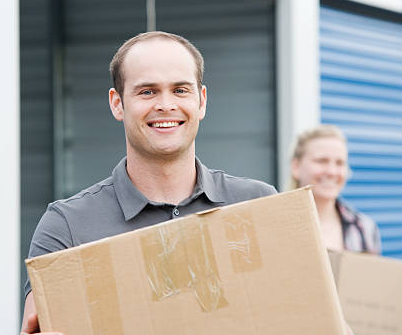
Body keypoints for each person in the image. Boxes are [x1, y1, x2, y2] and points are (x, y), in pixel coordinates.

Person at [20, 31, 277, 335]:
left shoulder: (259, 204)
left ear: (202, 101)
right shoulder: (68, 226)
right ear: (117, 104)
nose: (166, 105)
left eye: (180, 90)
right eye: (147, 92)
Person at [289, 124, 381, 254]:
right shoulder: (273, 225)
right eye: (321, 161)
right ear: (296, 167)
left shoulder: (364, 228)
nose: (332, 172)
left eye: (339, 163)